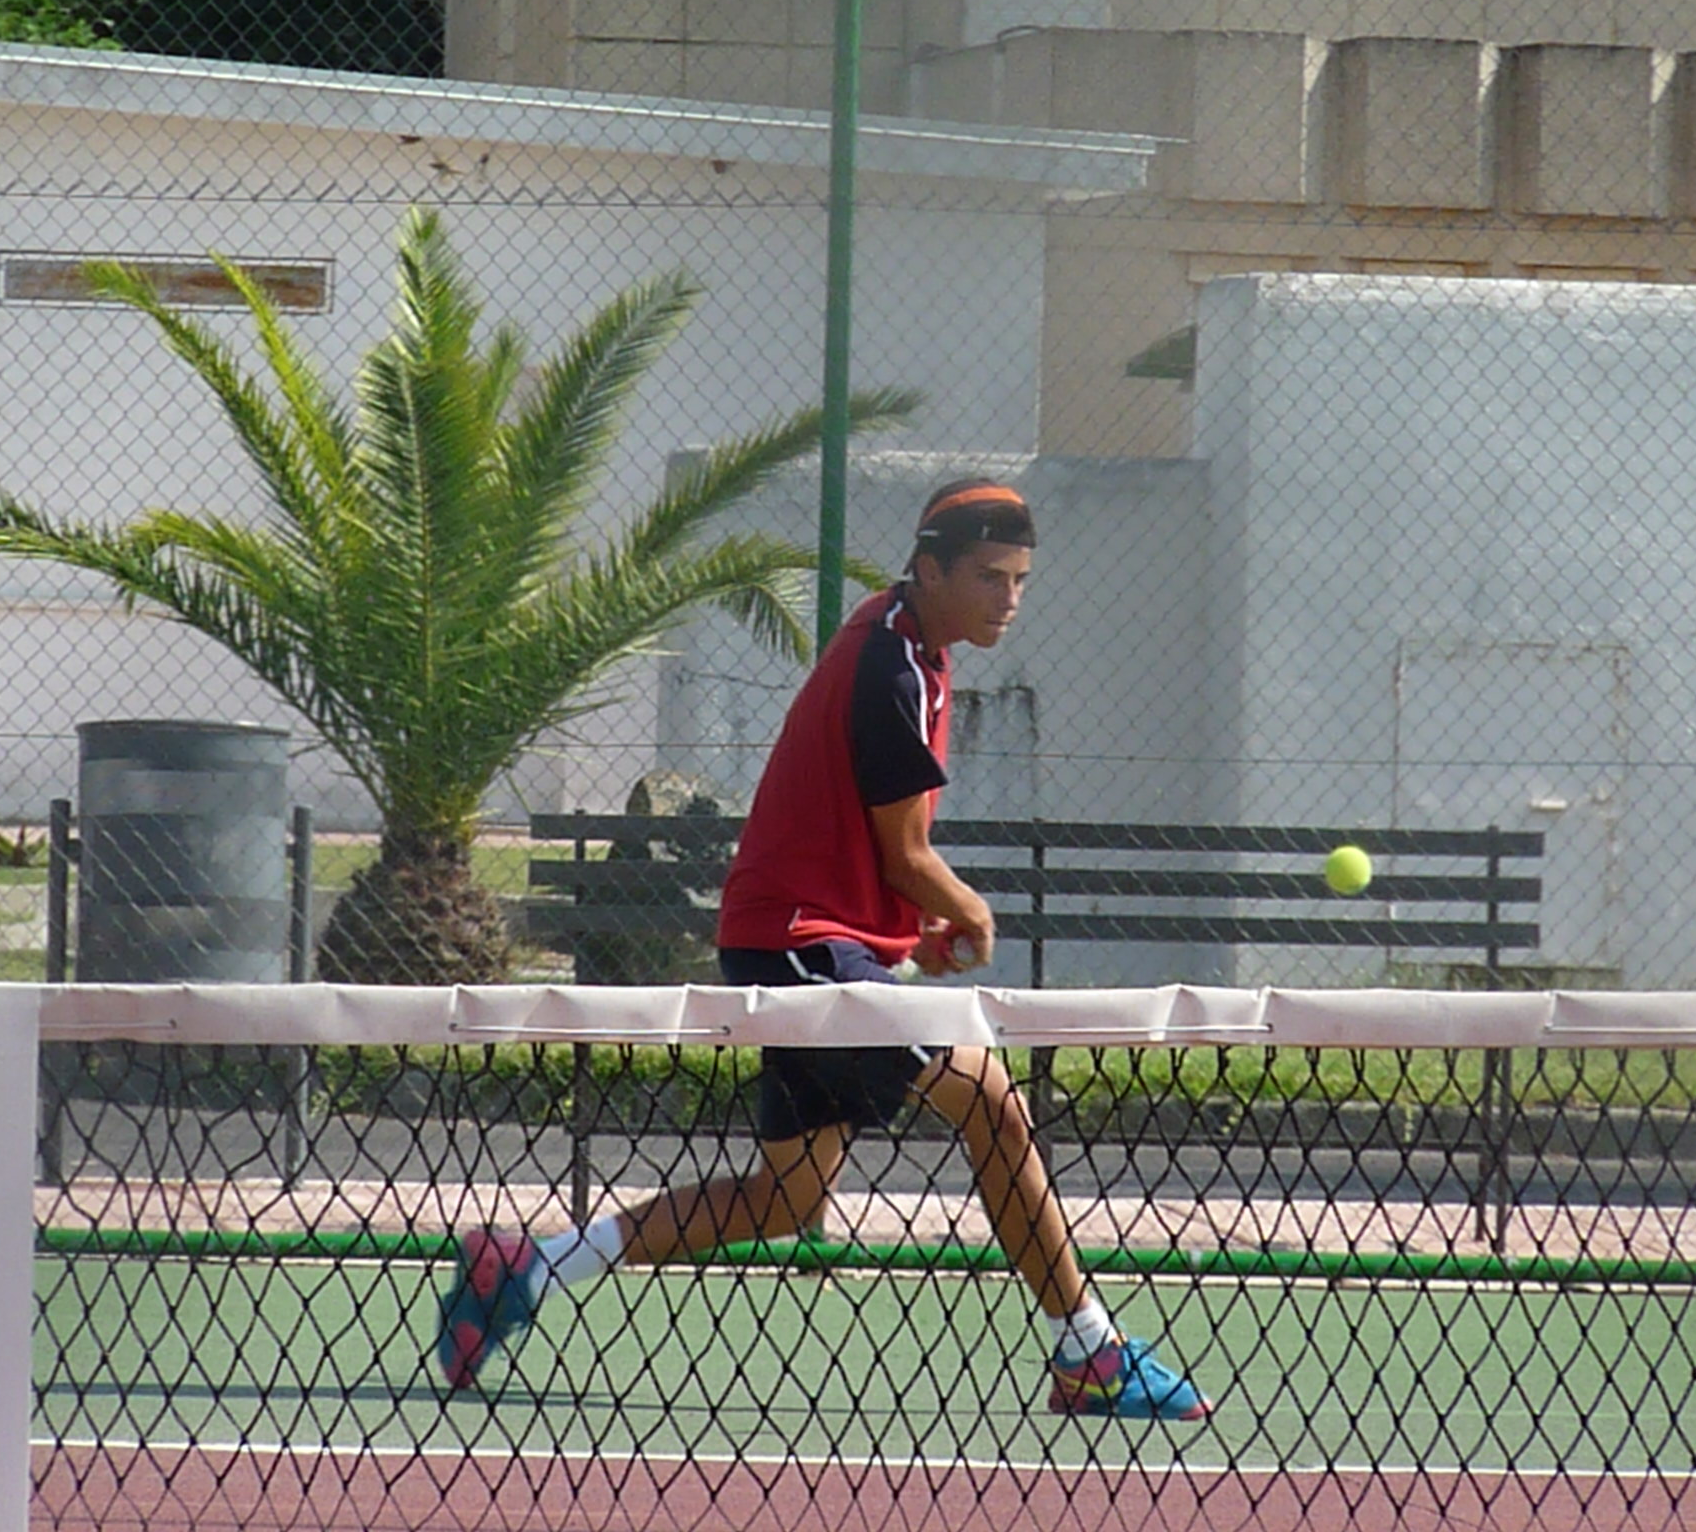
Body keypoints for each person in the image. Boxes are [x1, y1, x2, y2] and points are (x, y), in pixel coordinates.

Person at [437, 478, 1211, 1422]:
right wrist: (968, 912)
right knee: (994, 1104)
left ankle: (525, 1270)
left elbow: (862, 841)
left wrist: (908, 930)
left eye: (1019, 579)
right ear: (929, 570)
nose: (1009, 598)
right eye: (988, 576)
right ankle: (1091, 1353)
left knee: (786, 1201)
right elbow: (905, 854)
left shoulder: (908, 643)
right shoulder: (891, 668)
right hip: (800, 946)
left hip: (803, 943)